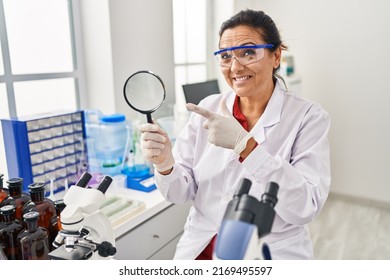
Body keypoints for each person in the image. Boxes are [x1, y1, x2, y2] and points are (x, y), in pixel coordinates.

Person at [139, 9, 331, 260]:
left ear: (276, 56)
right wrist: (165, 164)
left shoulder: (308, 117)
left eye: (248, 52)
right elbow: (180, 192)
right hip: (202, 249)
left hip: (267, 254)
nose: (235, 66)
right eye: (225, 56)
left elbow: (305, 207)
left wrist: (247, 147)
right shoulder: (208, 107)